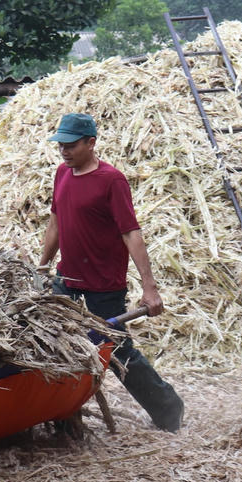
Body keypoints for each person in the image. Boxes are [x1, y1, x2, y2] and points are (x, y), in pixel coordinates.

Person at [37, 113, 185, 432]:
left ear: (91, 143)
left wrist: (150, 289)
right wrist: (43, 266)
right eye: (61, 145)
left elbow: (131, 233)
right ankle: (64, 423)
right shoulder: (62, 173)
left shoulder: (111, 180)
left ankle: (168, 409)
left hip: (104, 285)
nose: (64, 151)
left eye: (71, 145)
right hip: (66, 280)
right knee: (56, 345)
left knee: (116, 350)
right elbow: (56, 223)